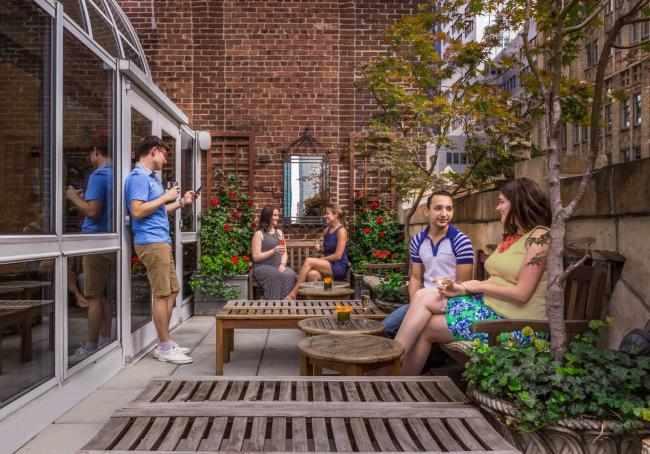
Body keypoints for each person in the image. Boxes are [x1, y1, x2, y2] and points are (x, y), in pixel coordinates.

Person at [395, 178, 551, 375]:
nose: (497, 207)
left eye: (502, 201)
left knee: (425, 315)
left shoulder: (540, 238)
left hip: (516, 325)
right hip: (489, 310)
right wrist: (462, 288)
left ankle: (390, 369)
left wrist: (476, 286)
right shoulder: (514, 237)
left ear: (518, 202)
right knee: (423, 301)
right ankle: (397, 377)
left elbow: (522, 294)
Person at [125, 135, 197, 365]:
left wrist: (181, 202)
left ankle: (164, 341)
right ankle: (164, 346)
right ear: (153, 151)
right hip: (151, 242)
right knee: (162, 293)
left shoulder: (151, 179)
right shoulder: (138, 178)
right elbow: (136, 211)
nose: (166, 160)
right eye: (165, 154)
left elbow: (156, 210)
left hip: (161, 241)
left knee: (173, 291)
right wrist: (165, 197)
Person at [383, 191, 474, 337]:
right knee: (386, 328)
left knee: (410, 330)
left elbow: (463, 285)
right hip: (423, 300)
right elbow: (415, 277)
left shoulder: (461, 241)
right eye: (438, 208)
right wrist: (415, 305)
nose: (444, 214)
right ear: (427, 211)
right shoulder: (417, 240)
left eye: (449, 208)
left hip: (451, 303)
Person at [65, 144, 115, 363]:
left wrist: (72, 197)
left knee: (93, 296)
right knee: (105, 296)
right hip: (110, 240)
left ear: (97, 152)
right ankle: (106, 338)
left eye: (90, 153)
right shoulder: (116, 174)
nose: (89, 157)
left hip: (95, 240)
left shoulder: (98, 175)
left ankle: (91, 345)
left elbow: (92, 212)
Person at [286, 204, 349, 299]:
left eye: (327, 214)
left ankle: (293, 294)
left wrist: (323, 259)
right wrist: (320, 248)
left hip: (338, 266)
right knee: (312, 274)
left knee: (309, 261)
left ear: (335, 215)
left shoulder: (341, 231)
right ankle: (314, 304)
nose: (324, 216)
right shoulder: (327, 230)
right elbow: (327, 249)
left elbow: (338, 256)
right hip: (328, 265)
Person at [251, 207, 297, 298]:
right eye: (275, 215)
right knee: (275, 275)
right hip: (262, 267)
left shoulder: (279, 233)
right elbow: (256, 257)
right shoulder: (259, 234)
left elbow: (284, 252)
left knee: (290, 274)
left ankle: (286, 302)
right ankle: (274, 303)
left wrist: (283, 264)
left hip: (278, 266)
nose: (277, 218)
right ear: (268, 217)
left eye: (277, 215)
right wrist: (273, 251)